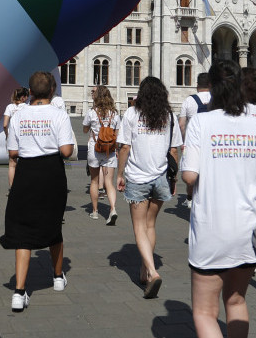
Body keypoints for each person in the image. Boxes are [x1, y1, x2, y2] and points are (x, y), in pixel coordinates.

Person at [181, 60, 256, 338]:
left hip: (212, 227)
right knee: (236, 301)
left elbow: (189, 176)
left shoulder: (201, 121)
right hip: (248, 227)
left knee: (204, 312)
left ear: (212, 89)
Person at [1, 71, 75, 313]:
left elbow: (12, 152)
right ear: (52, 91)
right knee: (54, 223)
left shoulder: (19, 115)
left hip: (26, 172)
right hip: (51, 171)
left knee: (23, 229)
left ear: (30, 92)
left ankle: (19, 292)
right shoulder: (59, 114)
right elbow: (66, 151)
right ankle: (56, 277)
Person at [115, 77, 182, 298]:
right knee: (151, 224)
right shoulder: (169, 116)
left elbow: (125, 147)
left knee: (139, 227)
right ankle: (145, 270)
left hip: (137, 177)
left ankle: (152, 272)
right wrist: (174, 179)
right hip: (161, 176)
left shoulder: (132, 114)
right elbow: (174, 151)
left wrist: (120, 173)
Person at [84, 85, 120, 223]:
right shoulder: (115, 113)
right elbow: (117, 134)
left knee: (94, 181)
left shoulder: (92, 112)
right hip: (109, 151)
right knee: (109, 182)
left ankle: (94, 211)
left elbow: (84, 129)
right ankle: (112, 209)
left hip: (94, 148)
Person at [178, 72, 211, 209]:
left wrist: (185, 141)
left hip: (193, 144)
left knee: (191, 172)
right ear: (210, 85)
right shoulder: (216, 99)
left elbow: (181, 124)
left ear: (197, 85)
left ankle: (190, 198)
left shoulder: (189, 100)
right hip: (211, 143)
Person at [3, 87, 30, 187]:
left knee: (12, 164)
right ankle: (25, 186)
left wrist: (7, 135)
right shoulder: (28, 107)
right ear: (23, 97)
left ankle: (12, 187)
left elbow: (5, 124)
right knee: (26, 162)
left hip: (12, 138)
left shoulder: (9, 107)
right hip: (25, 136)